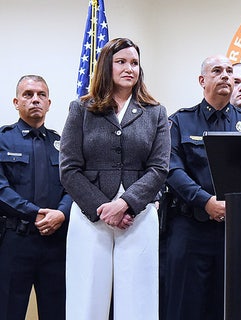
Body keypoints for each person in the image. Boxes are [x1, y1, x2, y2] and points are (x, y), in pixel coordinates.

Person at [59, 37, 170, 320]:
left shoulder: (155, 112)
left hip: (139, 214)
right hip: (89, 216)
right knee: (86, 299)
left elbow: (158, 169)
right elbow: (69, 168)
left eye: (134, 63)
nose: (129, 68)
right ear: (106, 66)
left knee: (139, 302)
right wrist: (103, 208)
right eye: (121, 62)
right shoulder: (81, 109)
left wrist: (125, 204)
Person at [162, 54, 241, 320]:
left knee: (229, 307)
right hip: (189, 229)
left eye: (229, 71)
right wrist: (205, 201)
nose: (225, 75)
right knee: (183, 307)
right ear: (202, 80)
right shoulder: (181, 121)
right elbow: (171, 169)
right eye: (217, 71)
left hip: (235, 231)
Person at [0, 75, 72, 320]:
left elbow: (74, 186)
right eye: (28, 94)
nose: (35, 100)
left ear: (49, 103)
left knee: (57, 312)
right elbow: (1, 189)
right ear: (16, 101)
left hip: (55, 243)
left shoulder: (63, 144)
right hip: (14, 241)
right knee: (9, 310)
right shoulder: (2, 139)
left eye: (41, 95)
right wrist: (35, 213)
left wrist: (61, 212)